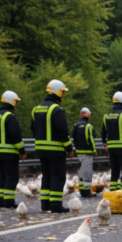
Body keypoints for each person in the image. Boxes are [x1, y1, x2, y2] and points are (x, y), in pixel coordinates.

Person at [31, 79, 73, 213]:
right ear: (58, 93)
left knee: (47, 176)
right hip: (55, 150)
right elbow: (63, 131)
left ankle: (45, 204)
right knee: (57, 176)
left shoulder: (36, 109)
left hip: (41, 150)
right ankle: (55, 205)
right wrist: (69, 148)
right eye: (62, 93)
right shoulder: (56, 109)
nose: (63, 96)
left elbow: (33, 128)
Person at [0, 91, 25, 208]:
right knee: (11, 177)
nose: (16, 105)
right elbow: (15, 135)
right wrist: (22, 151)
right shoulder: (9, 117)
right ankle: (9, 202)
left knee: (3, 176)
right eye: (15, 102)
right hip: (10, 153)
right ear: (11, 102)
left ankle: (1, 201)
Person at [73, 108, 96, 198]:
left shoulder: (76, 125)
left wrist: (76, 149)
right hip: (88, 152)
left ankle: (82, 191)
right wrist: (94, 150)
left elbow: (73, 138)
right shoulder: (88, 126)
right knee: (87, 172)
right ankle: (87, 192)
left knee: (82, 172)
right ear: (88, 114)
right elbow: (91, 139)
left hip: (79, 153)